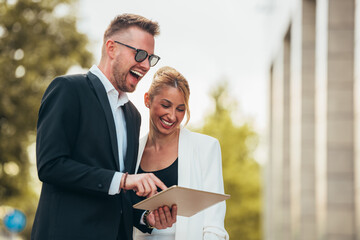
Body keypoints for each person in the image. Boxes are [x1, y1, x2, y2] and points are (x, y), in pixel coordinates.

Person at [32, 14, 176, 240]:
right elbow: (50, 165)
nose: (146, 65)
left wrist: (146, 218)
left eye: (151, 58)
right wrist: (123, 179)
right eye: (139, 54)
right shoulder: (68, 90)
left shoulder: (133, 115)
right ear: (111, 48)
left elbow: (120, 194)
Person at [132, 66, 229, 240]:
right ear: (147, 100)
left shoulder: (206, 148)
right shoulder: (131, 151)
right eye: (165, 105)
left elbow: (214, 224)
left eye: (180, 109)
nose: (172, 116)